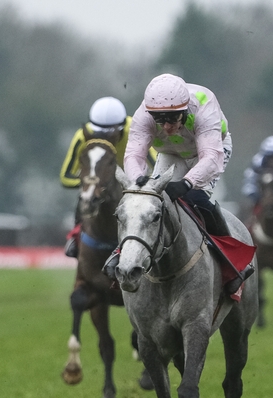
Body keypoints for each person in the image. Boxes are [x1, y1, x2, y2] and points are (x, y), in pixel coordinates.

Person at [105, 73, 252, 294]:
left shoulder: (203, 105)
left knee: (196, 199)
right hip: (170, 153)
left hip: (208, 152)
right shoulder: (143, 114)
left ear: (184, 110)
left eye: (173, 118)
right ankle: (122, 252)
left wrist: (187, 183)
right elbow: (133, 156)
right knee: (149, 202)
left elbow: (211, 158)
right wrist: (138, 181)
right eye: (160, 120)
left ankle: (233, 264)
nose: (166, 126)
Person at [59, 97, 156, 258]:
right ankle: (76, 236)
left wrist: (139, 185)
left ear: (122, 128)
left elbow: (156, 164)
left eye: (110, 134)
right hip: (99, 186)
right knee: (85, 196)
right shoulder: (83, 136)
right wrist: (90, 182)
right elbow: (66, 177)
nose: (103, 139)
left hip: (132, 184)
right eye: (98, 133)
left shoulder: (135, 130)